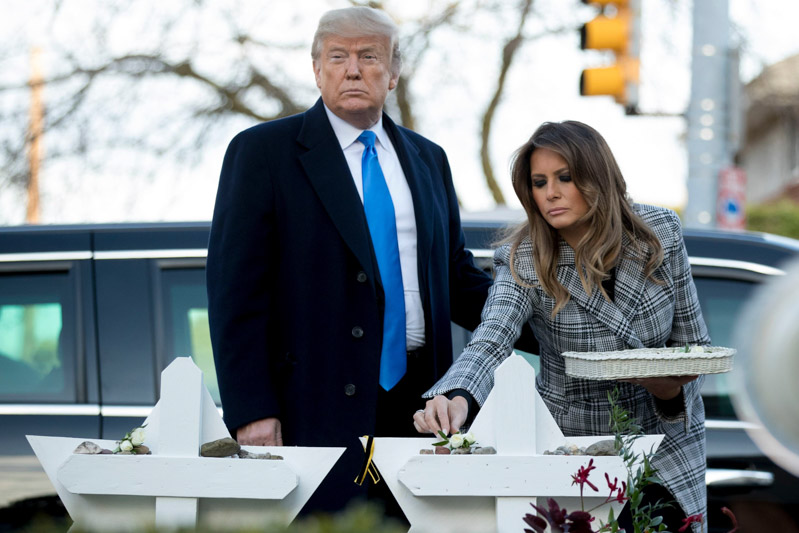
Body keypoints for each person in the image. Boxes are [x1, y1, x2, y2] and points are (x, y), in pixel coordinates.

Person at [206, 6, 535, 514]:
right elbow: (236, 293)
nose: (353, 70)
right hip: (311, 408)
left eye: (369, 56)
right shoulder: (263, 153)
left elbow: (457, 278)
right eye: (338, 57)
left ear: (394, 72)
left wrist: (557, 324)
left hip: (424, 406)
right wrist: (253, 409)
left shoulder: (429, 159)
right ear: (317, 69)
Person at [413, 121, 710, 532]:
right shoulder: (524, 258)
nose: (550, 193)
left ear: (597, 176)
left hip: (665, 447)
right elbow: (491, 339)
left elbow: (695, 346)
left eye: (564, 177)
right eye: (539, 182)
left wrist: (668, 391)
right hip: (573, 457)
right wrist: (456, 398)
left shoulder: (659, 232)